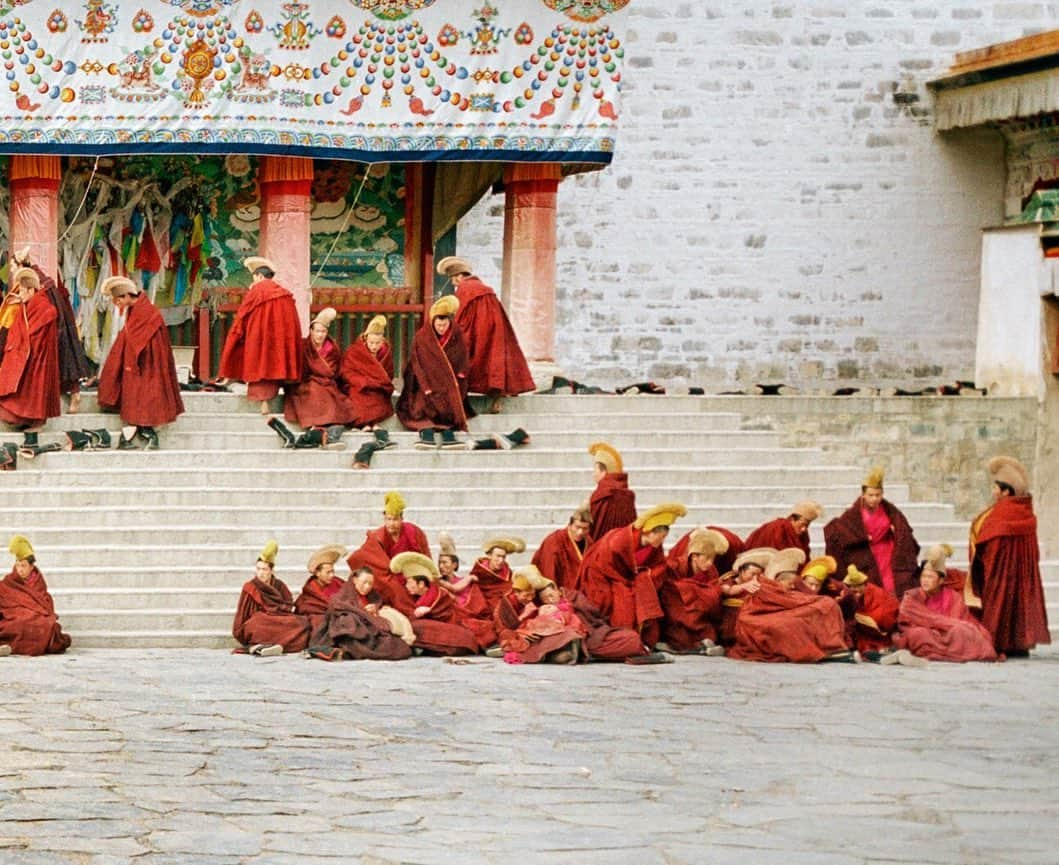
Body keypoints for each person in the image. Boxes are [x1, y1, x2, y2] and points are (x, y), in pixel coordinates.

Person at [968, 456, 1051, 657]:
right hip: (1023, 574)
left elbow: (986, 539)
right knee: (1020, 604)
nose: (993, 492)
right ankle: (1018, 643)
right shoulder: (1026, 512)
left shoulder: (1000, 514)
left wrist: (984, 562)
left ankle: (998, 641)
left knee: (1000, 603)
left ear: (1007, 491)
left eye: (996, 487)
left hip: (1000, 572)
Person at [572, 503, 686, 646]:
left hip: (627, 578)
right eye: (660, 536)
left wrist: (646, 576)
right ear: (649, 532)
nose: (662, 541)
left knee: (653, 591)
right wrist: (630, 580)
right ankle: (623, 639)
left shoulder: (654, 546)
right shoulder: (620, 540)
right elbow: (604, 564)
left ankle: (646, 639)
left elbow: (659, 565)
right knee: (624, 599)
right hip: (603, 575)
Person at [96, 275, 185, 450]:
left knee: (142, 398)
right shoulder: (136, 309)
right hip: (139, 361)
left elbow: (140, 340)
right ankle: (132, 437)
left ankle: (149, 436)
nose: (117, 304)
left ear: (126, 296)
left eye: (118, 300)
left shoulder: (147, 313)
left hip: (148, 362)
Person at [435, 256, 535, 411]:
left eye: (454, 279)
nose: (453, 283)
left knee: (457, 358)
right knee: (494, 360)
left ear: (460, 276)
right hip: (495, 331)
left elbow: (460, 315)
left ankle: (458, 402)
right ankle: (496, 400)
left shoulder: (465, 289)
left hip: (476, 331)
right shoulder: (486, 288)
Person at [728, 547, 852, 664]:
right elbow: (789, 600)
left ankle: (829, 647)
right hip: (754, 620)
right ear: (780, 580)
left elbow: (799, 598)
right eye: (789, 584)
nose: (793, 587)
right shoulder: (765, 586)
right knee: (790, 625)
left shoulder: (793, 583)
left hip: (775, 615)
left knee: (821, 607)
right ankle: (818, 651)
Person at [218, 256, 302, 415]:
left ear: (260, 276)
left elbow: (243, 316)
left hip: (258, 340)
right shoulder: (285, 295)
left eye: (254, 278)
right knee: (274, 366)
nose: (254, 282)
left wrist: (236, 334)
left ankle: (264, 402)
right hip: (279, 343)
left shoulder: (257, 291)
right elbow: (292, 323)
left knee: (260, 365)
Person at [12, 248, 89, 413]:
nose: (11, 270)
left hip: (55, 325)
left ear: (20, 265)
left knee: (64, 357)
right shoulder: (33, 278)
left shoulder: (38, 280)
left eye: (13, 266)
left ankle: (75, 395)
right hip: (55, 324)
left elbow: (43, 303)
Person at [823, 467, 920, 597]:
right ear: (863, 494)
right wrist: (861, 537)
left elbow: (902, 528)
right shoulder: (853, 513)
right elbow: (842, 530)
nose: (874, 499)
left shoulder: (889, 510)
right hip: (867, 552)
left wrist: (897, 533)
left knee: (892, 584)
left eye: (878, 495)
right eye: (870, 495)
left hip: (887, 551)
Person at [894, 544, 997, 662]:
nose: (925, 581)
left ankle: (942, 652)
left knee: (961, 631)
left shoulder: (952, 596)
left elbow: (958, 621)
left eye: (930, 577)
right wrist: (937, 626)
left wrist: (944, 627)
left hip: (947, 633)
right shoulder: (912, 596)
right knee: (918, 635)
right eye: (923, 577)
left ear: (941, 580)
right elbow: (906, 620)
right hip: (926, 632)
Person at [395, 294, 471, 449]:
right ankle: (426, 433)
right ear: (432, 323)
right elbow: (416, 363)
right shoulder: (422, 337)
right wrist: (426, 385)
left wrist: (460, 376)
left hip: (448, 383)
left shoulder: (457, 334)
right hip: (426, 384)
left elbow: (462, 358)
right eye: (439, 325)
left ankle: (448, 435)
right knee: (421, 405)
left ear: (449, 323)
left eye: (444, 325)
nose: (442, 329)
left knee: (448, 405)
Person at [0, 267, 61, 443]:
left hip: (39, 358)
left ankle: (35, 420)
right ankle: (22, 419)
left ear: (32, 290)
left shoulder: (46, 309)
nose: (20, 294)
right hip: (26, 354)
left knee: (35, 390)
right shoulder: (26, 305)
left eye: (22, 291)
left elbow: (33, 333)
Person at [345, 491, 429, 616]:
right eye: (388, 519)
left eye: (395, 519)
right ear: (384, 519)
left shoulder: (413, 532)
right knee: (392, 585)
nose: (391, 524)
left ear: (402, 518)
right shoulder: (378, 536)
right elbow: (362, 556)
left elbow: (424, 557)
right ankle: (411, 612)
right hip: (390, 574)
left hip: (411, 573)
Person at [531, 572, 646, 662]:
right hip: (581, 639)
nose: (550, 600)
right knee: (630, 640)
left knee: (630, 636)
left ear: (558, 591)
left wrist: (574, 609)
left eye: (551, 595)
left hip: (593, 633)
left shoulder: (574, 597)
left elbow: (593, 614)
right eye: (545, 599)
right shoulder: (547, 609)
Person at [281, 307, 356, 432]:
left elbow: (335, 371)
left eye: (323, 332)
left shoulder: (332, 348)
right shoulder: (304, 346)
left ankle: (327, 424)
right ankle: (319, 423)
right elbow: (297, 368)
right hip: (305, 382)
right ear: (311, 331)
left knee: (330, 393)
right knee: (314, 390)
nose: (320, 335)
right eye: (317, 331)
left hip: (326, 382)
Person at [231, 540, 311, 655]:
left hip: (277, 618)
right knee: (258, 622)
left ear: (271, 570)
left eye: (264, 569)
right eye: (258, 569)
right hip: (261, 621)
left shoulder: (279, 585)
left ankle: (269, 646)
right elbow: (243, 615)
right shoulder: (250, 587)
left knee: (301, 623)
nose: (260, 573)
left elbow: (288, 604)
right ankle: (270, 645)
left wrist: (278, 610)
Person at [657, 528, 728, 654]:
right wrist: (691, 590)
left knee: (709, 632)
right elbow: (669, 594)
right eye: (707, 559)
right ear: (694, 556)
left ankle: (699, 647)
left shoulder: (712, 571)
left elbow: (714, 596)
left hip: (703, 616)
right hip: (679, 616)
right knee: (681, 634)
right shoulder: (675, 567)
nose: (710, 563)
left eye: (713, 559)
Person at [396, 552, 482, 655]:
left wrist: (425, 612)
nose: (406, 586)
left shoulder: (435, 594)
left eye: (409, 583)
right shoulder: (416, 595)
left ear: (421, 584)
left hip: (456, 621)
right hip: (446, 626)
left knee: (416, 626)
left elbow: (446, 611)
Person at [0, 535, 70, 656]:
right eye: (17, 565)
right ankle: (6, 647)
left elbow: (44, 602)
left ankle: (12, 647)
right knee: (16, 624)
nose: (20, 570)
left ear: (31, 567)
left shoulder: (38, 582)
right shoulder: (9, 581)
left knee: (44, 625)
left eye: (23, 566)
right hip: (13, 615)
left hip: (34, 616)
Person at [493, 570, 583, 664]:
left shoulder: (539, 601)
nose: (530, 598)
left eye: (532, 595)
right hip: (519, 635)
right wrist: (524, 625)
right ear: (516, 592)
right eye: (527, 595)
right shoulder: (506, 605)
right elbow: (505, 629)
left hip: (546, 631)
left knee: (566, 632)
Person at [436, 532, 498, 648]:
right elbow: (455, 589)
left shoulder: (461, 580)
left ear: (454, 565)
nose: (441, 566)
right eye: (440, 563)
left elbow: (473, 600)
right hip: (454, 615)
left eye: (445, 562)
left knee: (486, 624)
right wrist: (469, 578)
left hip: (467, 613)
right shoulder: (439, 581)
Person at [340, 314, 395, 432]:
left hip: (378, 388)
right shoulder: (355, 351)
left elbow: (389, 374)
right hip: (360, 386)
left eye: (377, 343)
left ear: (382, 341)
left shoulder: (386, 353)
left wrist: (378, 383)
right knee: (358, 398)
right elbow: (346, 372)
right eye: (371, 343)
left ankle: (373, 423)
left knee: (377, 399)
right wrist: (362, 382)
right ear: (366, 339)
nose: (374, 346)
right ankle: (362, 424)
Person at [717, 547, 774, 646]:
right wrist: (744, 586)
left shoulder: (759, 582)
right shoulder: (729, 579)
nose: (755, 578)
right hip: (732, 616)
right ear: (742, 572)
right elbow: (727, 590)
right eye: (752, 574)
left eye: (758, 575)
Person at [347, 567, 416, 646]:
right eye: (364, 582)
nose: (367, 587)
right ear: (355, 580)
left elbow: (378, 602)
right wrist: (363, 611)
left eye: (370, 584)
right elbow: (342, 607)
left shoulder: (371, 594)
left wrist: (375, 608)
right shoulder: (346, 594)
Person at [531, 505, 593, 589]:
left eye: (585, 528)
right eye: (577, 527)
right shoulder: (554, 541)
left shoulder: (589, 542)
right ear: (570, 525)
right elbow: (548, 570)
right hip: (561, 590)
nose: (580, 532)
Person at [587, 441, 637, 543]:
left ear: (604, 471)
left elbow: (591, 528)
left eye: (595, 470)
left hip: (601, 550)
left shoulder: (602, 494)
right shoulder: (627, 496)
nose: (593, 474)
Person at [743, 500, 822, 561]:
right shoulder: (777, 529)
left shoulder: (803, 535)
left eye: (807, 525)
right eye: (802, 524)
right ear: (792, 519)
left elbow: (804, 558)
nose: (804, 529)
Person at [294, 544, 348, 631]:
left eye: (333, 571)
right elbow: (306, 607)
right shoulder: (311, 590)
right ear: (318, 573)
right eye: (328, 572)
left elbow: (350, 595)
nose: (332, 575)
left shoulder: (337, 582)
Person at [469, 536, 525, 612]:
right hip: (484, 603)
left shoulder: (507, 571)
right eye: (498, 556)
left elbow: (509, 587)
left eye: (504, 557)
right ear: (489, 556)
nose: (501, 560)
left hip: (502, 603)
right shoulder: (479, 570)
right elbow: (473, 590)